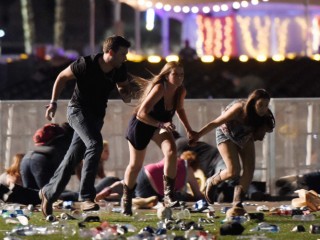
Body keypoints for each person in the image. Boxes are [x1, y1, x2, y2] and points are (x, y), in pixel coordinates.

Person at [40, 35, 132, 216]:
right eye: (122, 54)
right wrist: (53, 102)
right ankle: (86, 197)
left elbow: (123, 88)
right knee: (95, 144)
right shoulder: (85, 64)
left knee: (72, 159)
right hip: (77, 111)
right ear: (110, 52)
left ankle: (48, 193)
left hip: (96, 117)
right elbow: (61, 77)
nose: (125, 58)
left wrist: (126, 93)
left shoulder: (119, 68)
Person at [122, 61, 196, 215]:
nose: (179, 77)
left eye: (182, 74)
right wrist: (161, 124)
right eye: (175, 74)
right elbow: (142, 113)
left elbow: (180, 109)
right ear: (167, 75)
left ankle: (169, 195)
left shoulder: (180, 90)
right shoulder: (160, 87)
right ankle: (126, 199)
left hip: (159, 127)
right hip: (142, 125)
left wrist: (189, 129)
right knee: (135, 165)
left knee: (171, 151)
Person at [190, 89, 275, 217]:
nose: (263, 109)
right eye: (260, 105)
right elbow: (216, 122)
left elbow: (266, 130)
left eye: (266, 105)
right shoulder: (239, 108)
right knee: (233, 171)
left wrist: (263, 128)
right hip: (226, 134)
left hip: (244, 136)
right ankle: (212, 181)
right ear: (253, 103)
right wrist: (197, 135)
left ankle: (238, 202)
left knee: (249, 169)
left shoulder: (265, 115)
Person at [95, 150, 204, 203]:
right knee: (134, 197)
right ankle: (109, 198)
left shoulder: (173, 158)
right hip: (155, 189)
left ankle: (108, 190)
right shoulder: (188, 169)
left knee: (126, 184)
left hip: (147, 171)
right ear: (194, 164)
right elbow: (197, 194)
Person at [20, 122, 73, 190]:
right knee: (49, 193)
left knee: (30, 195)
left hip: (26, 158)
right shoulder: (67, 139)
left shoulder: (57, 133)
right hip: (42, 160)